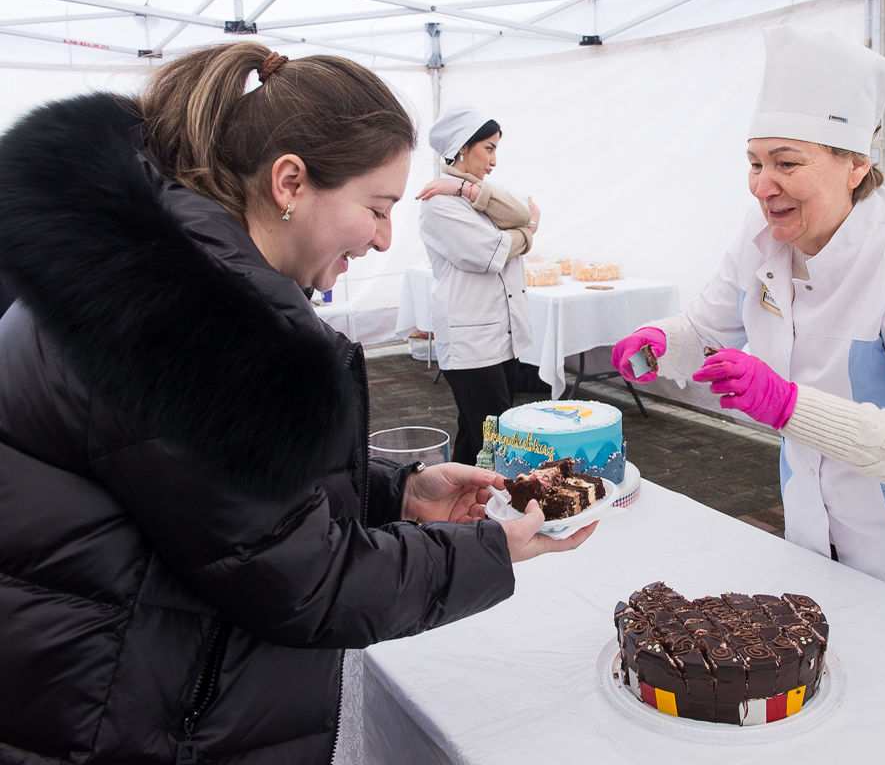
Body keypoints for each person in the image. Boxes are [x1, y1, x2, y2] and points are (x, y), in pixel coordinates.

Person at [0, 43, 593, 764]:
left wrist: (394, 493)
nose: (382, 239)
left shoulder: (161, 283)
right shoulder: (185, 330)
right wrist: (493, 550)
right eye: (375, 208)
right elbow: (308, 583)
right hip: (119, 725)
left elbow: (227, 503)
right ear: (290, 182)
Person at [612, 27, 885, 608]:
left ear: (855, 167)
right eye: (753, 163)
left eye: (786, 163)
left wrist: (788, 405)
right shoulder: (764, 236)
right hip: (812, 522)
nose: (761, 187)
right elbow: (704, 330)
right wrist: (659, 344)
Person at [418, 104, 539, 464]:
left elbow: (520, 213)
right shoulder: (438, 203)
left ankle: (458, 507)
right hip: (472, 342)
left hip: (501, 336)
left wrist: (467, 189)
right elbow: (493, 253)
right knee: (497, 438)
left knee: (477, 435)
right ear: (460, 148)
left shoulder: (484, 192)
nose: (494, 161)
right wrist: (529, 233)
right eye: (488, 148)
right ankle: (491, 508)